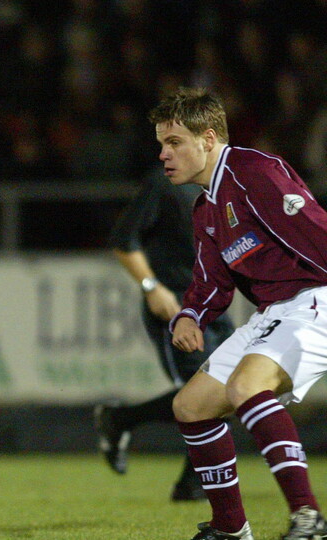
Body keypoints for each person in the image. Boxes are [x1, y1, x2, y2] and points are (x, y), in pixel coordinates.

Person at [152, 87, 327, 540]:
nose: (163, 154)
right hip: (274, 313)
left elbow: (317, 233)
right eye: (161, 144)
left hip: (314, 302)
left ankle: (308, 518)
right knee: (190, 407)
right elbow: (212, 283)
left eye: (174, 143)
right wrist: (189, 314)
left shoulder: (256, 172)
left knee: (246, 385)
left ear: (208, 138)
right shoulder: (206, 207)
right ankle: (231, 530)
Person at [96, 167, 234, 501]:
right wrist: (152, 288)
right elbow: (122, 240)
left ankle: (122, 419)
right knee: (200, 394)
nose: (166, 153)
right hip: (176, 306)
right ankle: (192, 483)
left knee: (228, 391)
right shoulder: (164, 185)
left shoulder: (225, 187)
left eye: (174, 141)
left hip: (215, 309)